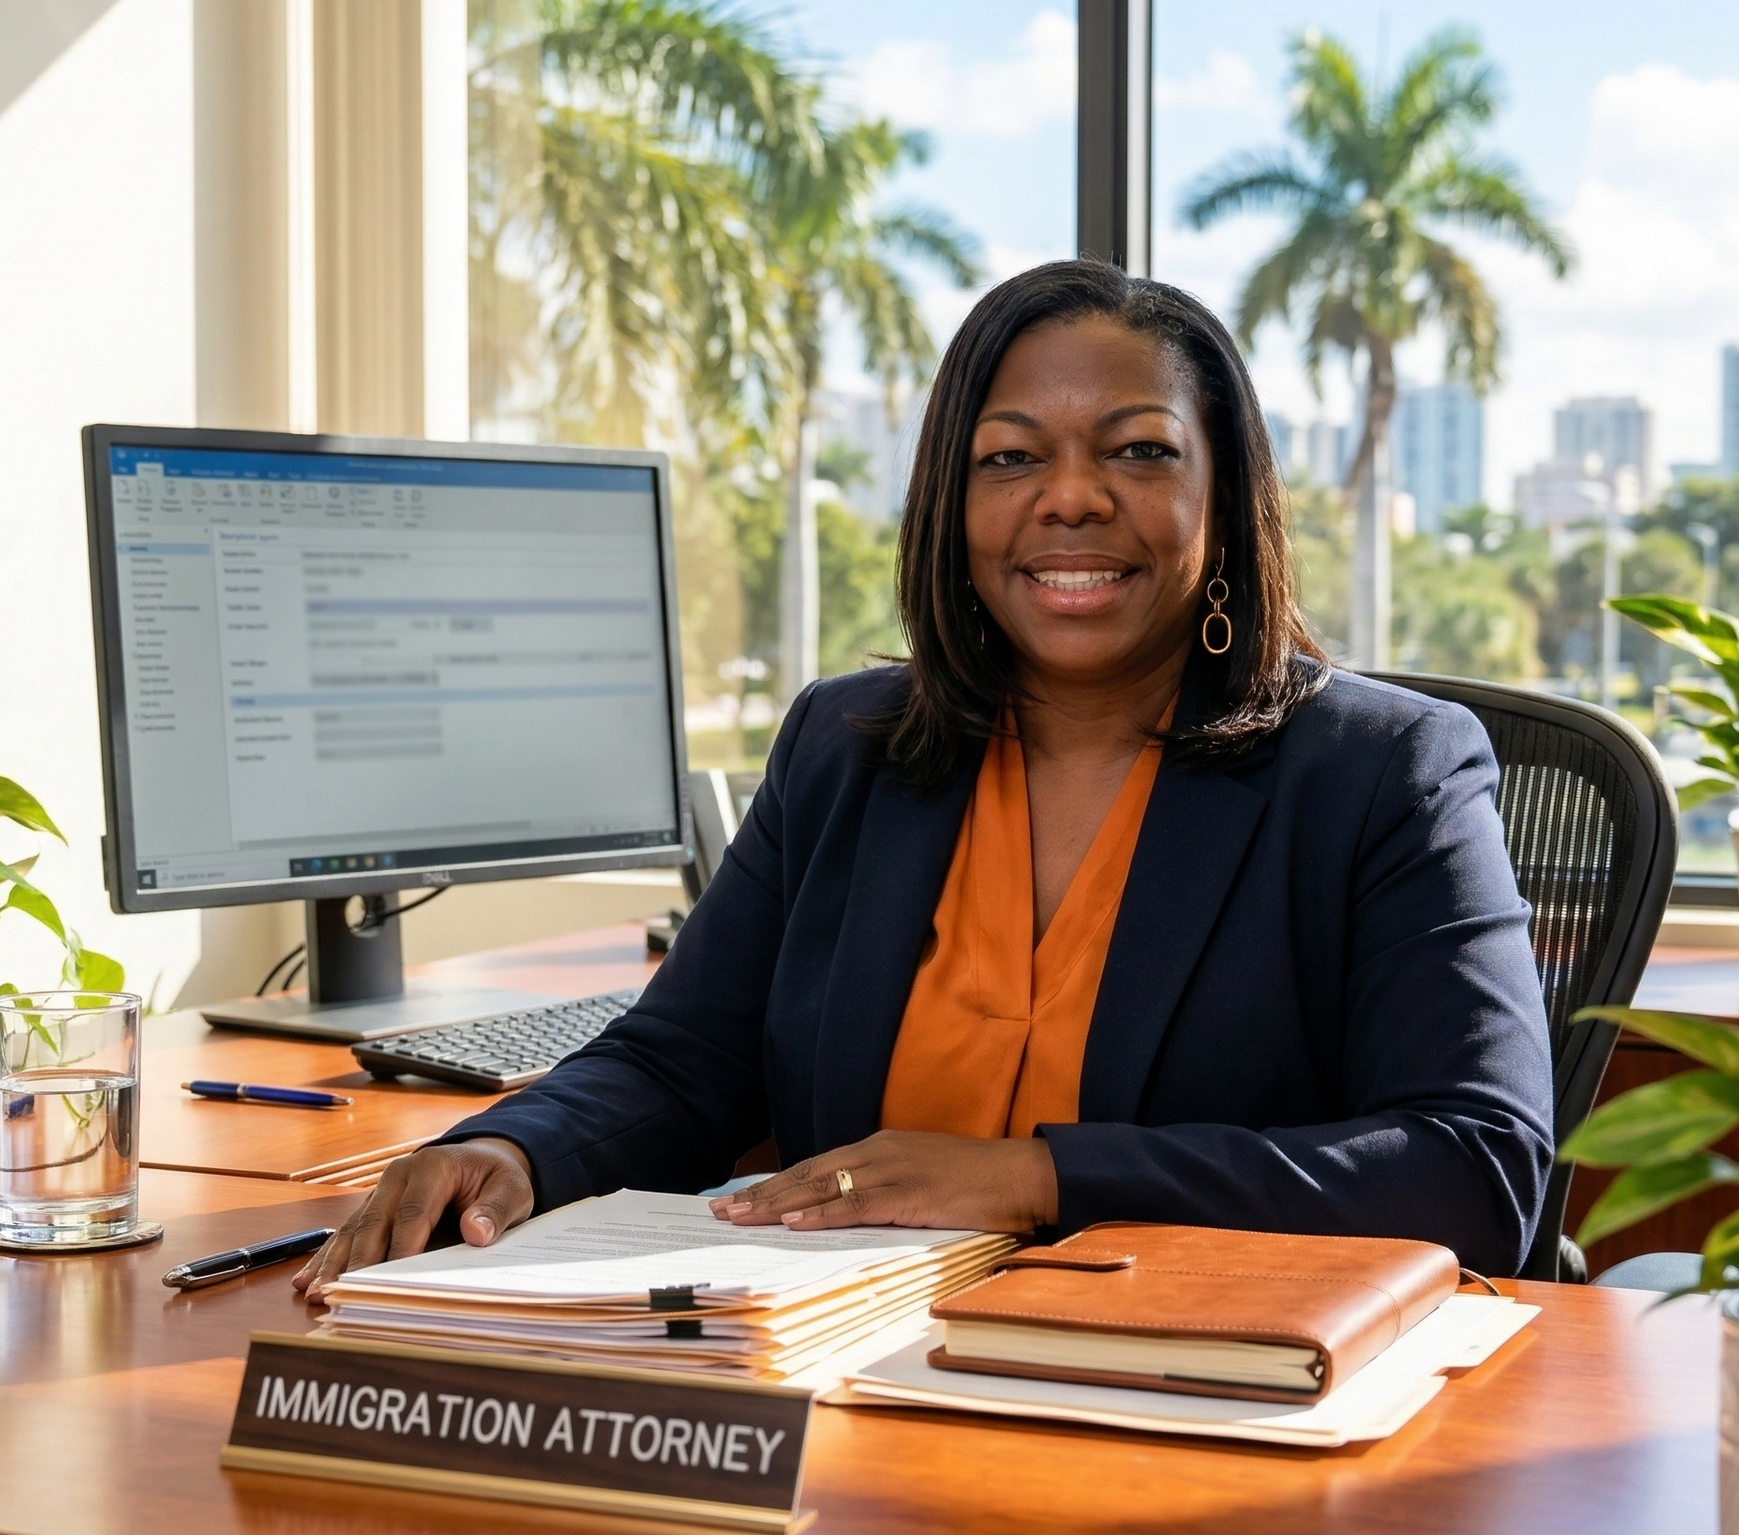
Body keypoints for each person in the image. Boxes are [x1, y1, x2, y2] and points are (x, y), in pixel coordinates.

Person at [296, 260, 1554, 1298]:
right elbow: (683, 1063)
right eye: (1010, 460)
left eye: (1139, 451)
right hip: (840, 1372)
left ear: (1226, 501)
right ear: (950, 505)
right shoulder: (846, 748)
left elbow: (1473, 1170)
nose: (1070, 499)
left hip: (1187, 1394)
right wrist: (514, 1144)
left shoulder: (1385, 772)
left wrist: (1035, 1177)